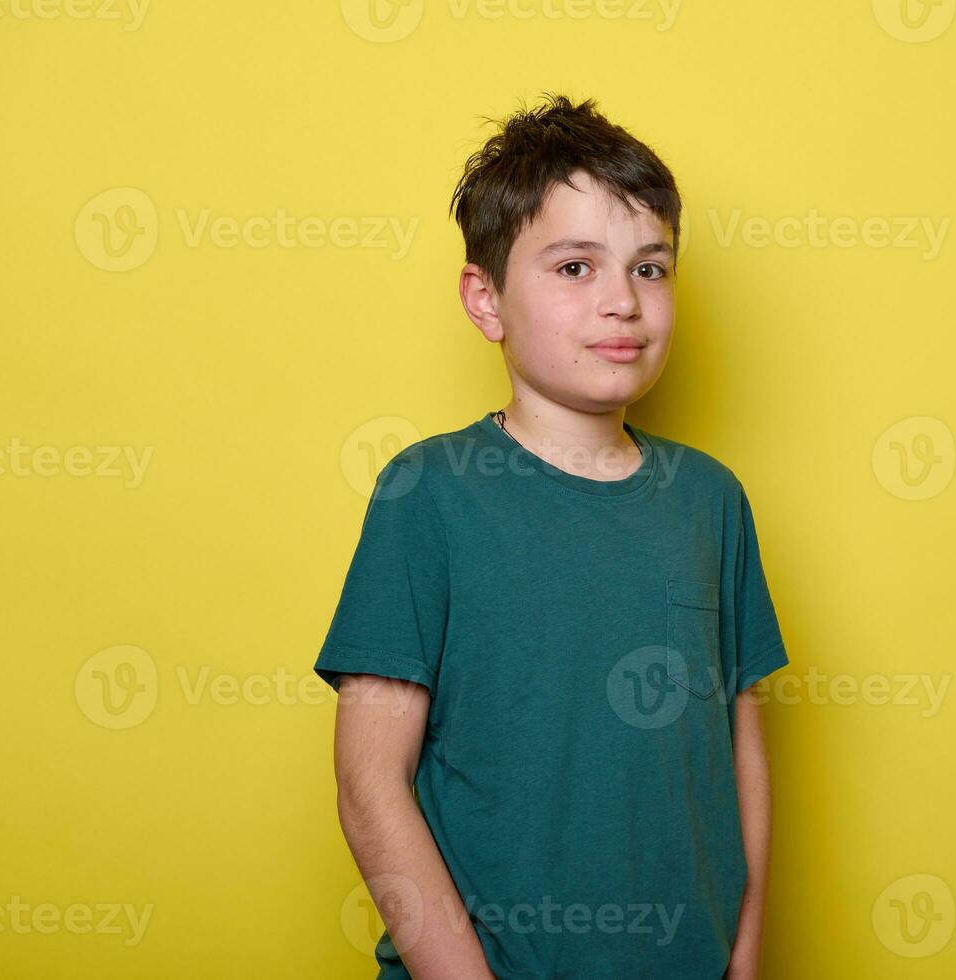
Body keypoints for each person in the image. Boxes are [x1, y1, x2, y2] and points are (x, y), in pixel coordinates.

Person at [314, 92, 790, 979]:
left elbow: (743, 751)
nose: (622, 302)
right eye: (575, 268)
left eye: (650, 268)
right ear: (484, 298)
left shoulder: (710, 501)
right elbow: (369, 784)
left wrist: (745, 958)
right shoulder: (429, 493)